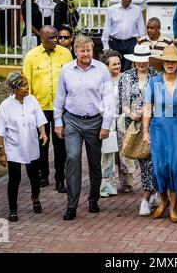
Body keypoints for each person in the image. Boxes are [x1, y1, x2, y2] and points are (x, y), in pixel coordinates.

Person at [54, 34, 115, 220]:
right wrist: (58, 122)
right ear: (75, 51)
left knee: (95, 162)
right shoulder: (66, 70)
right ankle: (71, 205)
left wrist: (106, 125)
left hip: (95, 121)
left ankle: (93, 199)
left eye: (88, 50)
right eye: (82, 50)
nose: (86, 54)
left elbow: (109, 99)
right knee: (72, 158)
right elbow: (59, 98)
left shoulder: (102, 70)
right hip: (72, 120)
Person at [142, 44, 177, 223]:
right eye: (167, 61)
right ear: (162, 62)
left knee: (176, 166)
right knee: (160, 167)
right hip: (159, 128)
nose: (170, 64)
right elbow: (148, 107)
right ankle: (162, 201)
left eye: (173, 61)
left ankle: (174, 207)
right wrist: (145, 131)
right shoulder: (154, 81)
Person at [23, 26, 72, 192]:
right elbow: (26, 84)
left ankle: (60, 179)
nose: (55, 41)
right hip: (39, 107)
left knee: (60, 146)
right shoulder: (31, 56)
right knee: (42, 144)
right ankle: (43, 176)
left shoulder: (65, 54)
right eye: (51, 38)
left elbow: (71, 80)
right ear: (42, 39)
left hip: (60, 107)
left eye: (56, 37)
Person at [0, 71, 48, 222]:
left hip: (31, 145)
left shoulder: (32, 100)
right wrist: (2, 153)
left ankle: (35, 197)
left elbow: (40, 120)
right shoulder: (5, 106)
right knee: (14, 179)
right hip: (13, 148)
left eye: (27, 84)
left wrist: (43, 133)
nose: (27, 88)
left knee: (34, 177)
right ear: (15, 88)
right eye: (23, 85)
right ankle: (13, 209)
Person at [121, 44, 158, 215]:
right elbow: (122, 101)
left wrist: (144, 111)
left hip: (153, 123)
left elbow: (158, 100)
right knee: (141, 161)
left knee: (149, 161)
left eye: (144, 61)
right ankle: (152, 193)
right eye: (138, 61)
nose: (141, 64)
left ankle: (146, 197)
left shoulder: (156, 76)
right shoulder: (126, 77)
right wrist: (132, 114)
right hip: (133, 125)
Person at [100, 50, 137, 197]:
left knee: (125, 151)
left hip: (123, 120)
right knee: (108, 153)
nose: (117, 66)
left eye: (119, 63)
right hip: (107, 121)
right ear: (106, 66)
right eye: (114, 64)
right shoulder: (101, 81)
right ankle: (107, 186)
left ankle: (127, 182)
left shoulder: (126, 78)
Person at [102, 0, 146, 71]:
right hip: (115, 42)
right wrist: (106, 46)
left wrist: (142, 43)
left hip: (131, 42)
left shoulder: (137, 10)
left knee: (127, 68)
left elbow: (141, 28)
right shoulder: (112, 10)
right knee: (116, 67)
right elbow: (107, 28)